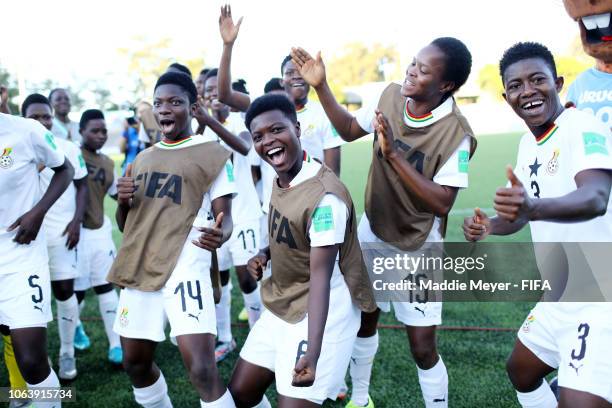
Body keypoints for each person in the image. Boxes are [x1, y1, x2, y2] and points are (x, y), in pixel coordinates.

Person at [291, 37, 476, 408]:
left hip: (418, 248)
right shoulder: (389, 96)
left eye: (424, 70)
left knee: (423, 348)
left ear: (446, 86)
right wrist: (321, 86)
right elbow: (346, 129)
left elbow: (442, 201)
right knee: (365, 321)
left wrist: (393, 156)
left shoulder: (459, 133)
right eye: (413, 62)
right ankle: (361, 399)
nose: (411, 71)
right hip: (372, 232)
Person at [464, 41, 612, 408]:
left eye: (537, 80)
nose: (527, 91)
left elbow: (596, 197)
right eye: (515, 85)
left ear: (558, 83)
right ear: (506, 95)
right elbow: (527, 213)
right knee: (521, 371)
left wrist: (533, 207)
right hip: (560, 294)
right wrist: (493, 226)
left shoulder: (582, 127)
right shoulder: (527, 144)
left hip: (600, 295)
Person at [229, 93, 376, 408]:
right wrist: (265, 255)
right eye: (259, 136)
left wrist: (313, 350)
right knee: (241, 392)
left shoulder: (325, 198)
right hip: (286, 302)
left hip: (323, 311)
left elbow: (320, 276)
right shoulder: (282, 175)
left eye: (277, 130)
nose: (268, 141)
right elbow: (289, 228)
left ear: (297, 129)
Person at [108, 71, 237, 408]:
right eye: (158, 103)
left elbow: (227, 221)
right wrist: (122, 202)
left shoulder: (213, 153)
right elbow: (127, 225)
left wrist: (218, 235)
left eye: (175, 102)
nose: (164, 109)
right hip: (141, 267)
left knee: (201, 369)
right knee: (134, 362)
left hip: (187, 267)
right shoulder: (142, 159)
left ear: (193, 108)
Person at [0, 112, 74, 408]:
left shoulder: (26, 130)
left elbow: (65, 170)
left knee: (31, 359)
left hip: (21, 253)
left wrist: (38, 212)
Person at [22, 93, 89, 380]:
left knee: (64, 292)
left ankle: (66, 353)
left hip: (62, 232)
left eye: (45, 116)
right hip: (25, 238)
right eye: (34, 116)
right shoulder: (13, 149)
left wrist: (77, 221)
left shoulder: (67, 148)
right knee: (33, 298)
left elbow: (82, 184)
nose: (41, 121)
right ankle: (41, 357)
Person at [200, 68, 264, 362]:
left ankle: (258, 338)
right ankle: (225, 338)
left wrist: (210, 121)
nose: (213, 94)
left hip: (245, 215)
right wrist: (202, 123)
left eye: (218, 89)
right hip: (214, 218)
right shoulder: (196, 126)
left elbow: (244, 146)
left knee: (248, 278)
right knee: (219, 280)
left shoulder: (240, 122)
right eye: (208, 90)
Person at [73, 109, 122, 365]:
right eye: (95, 130)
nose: (101, 135)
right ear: (81, 132)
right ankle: (74, 331)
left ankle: (116, 346)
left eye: (104, 131)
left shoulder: (108, 162)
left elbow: (116, 194)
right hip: (73, 236)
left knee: (105, 286)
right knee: (76, 294)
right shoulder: (70, 155)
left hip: (100, 233)